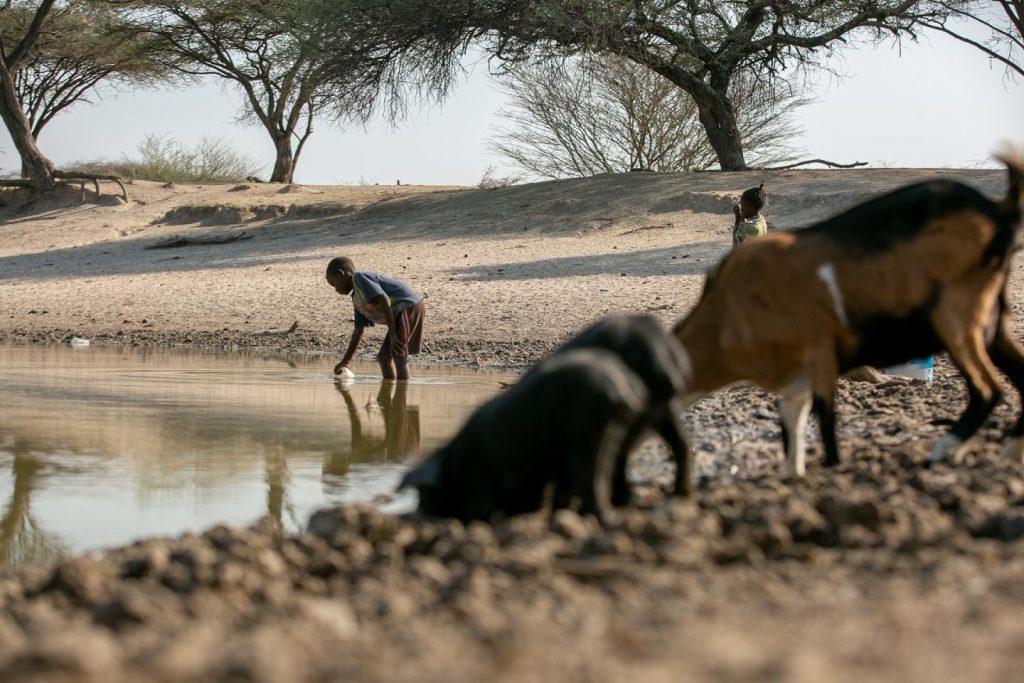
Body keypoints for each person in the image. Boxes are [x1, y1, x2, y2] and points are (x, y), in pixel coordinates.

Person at [326, 256, 425, 380]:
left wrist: (393, 334)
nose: (335, 289)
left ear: (340, 274)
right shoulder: (357, 299)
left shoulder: (359, 278)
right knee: (383, 357)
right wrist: (346, 361)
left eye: (333, 283)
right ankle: (387, 396)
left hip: (408, 307)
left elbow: (384, 299)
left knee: (398, 353)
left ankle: (401, 394)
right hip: (397, 317)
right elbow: (358, 330)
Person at [732, 183, 768, 248]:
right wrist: (739, 217)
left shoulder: (748, 227)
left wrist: (737, 219)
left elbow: (736, 247)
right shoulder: (761, 219)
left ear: (749, 206)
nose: (740, 208)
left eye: (741, 205)